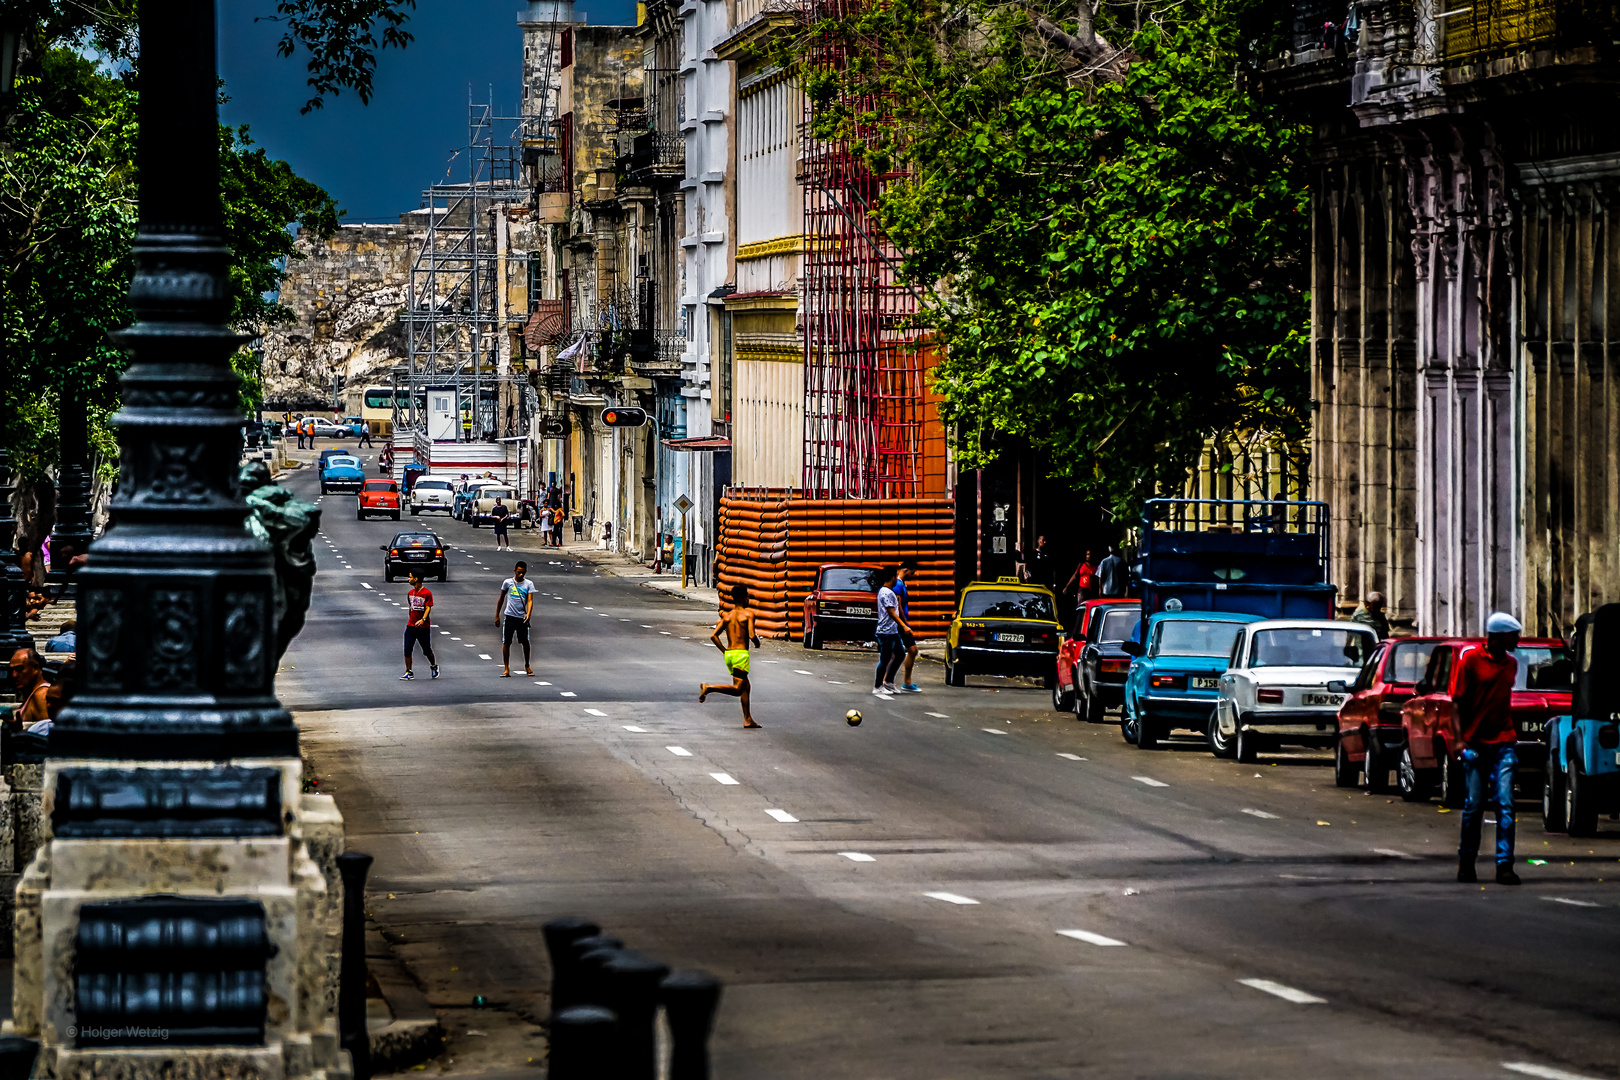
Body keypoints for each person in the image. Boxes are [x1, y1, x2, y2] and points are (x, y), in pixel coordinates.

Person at [1455, 612, 1524, 886]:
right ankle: (1466, 862)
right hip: (1475, 744)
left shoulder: (1511, 664)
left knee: (1506, 804)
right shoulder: (1471, 660)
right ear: (1499, 636)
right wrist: (1459, 740)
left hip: (1504, 742)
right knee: (1474, 806)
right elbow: (1458, 703)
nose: (1517, 640)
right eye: (1513, 635)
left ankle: (1505, 865)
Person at [699, 583, 764, 729]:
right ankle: (709, 688)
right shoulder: (749, 614)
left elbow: (714, 636)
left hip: (730, 655)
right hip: (741, 655)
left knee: (746, 686)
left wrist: (725, 651)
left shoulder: (727, 616)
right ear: (744, 597)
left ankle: (748, 719)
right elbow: (752, 634)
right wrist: (757, 643)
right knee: (738, 689)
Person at [872, 567, 912, 698]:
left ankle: (889, 681)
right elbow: (891, 612)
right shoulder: (886, 592)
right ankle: (878, 686)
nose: (897, 579)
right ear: (891, 578)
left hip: (892, 631)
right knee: (885, 658)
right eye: (895, 577)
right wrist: (904, 626)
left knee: (900, 654)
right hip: (886, 631)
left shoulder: (889, 592)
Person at [495, 561, 537, 677]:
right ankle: (506, 668)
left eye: (523, 573)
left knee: (525, 642)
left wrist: (528, 614)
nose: (520, 575)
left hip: (521, 618)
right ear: (515, 571)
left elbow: (530, 600)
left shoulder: (528, 584)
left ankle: (527, 665)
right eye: (519, 573)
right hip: (509, 616)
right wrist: (497, 615)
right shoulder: (507, 583)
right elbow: (501, 599)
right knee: (506, 642)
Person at [401, 571, 440, 680]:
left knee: (427, 650)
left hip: (423, 627)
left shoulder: (427, 593)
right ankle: (409, 671)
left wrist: (423, 619)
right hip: (411, 626)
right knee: (407, 649)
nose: (409, 580)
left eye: (411, 577)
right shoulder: (410, 593)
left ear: (416, 579)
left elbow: (428, 607)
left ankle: (433, 666)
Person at [895, 559, 922, 693]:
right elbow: (898, 606)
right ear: (906, 570)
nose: (913, 575)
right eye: (912, 572)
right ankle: (891, 681)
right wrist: (904, 624)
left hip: (903, 623)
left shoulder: (902, 585)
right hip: (901, 624)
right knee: (905, 651)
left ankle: (907, 682)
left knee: (911, 650)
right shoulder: (898, 586)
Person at [8, 647, 50, 731]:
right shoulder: (34, 693)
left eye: (19, 669)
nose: (14, 675)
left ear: (35, 668)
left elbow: (47, 735)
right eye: (11, 670)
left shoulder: (41, 695)